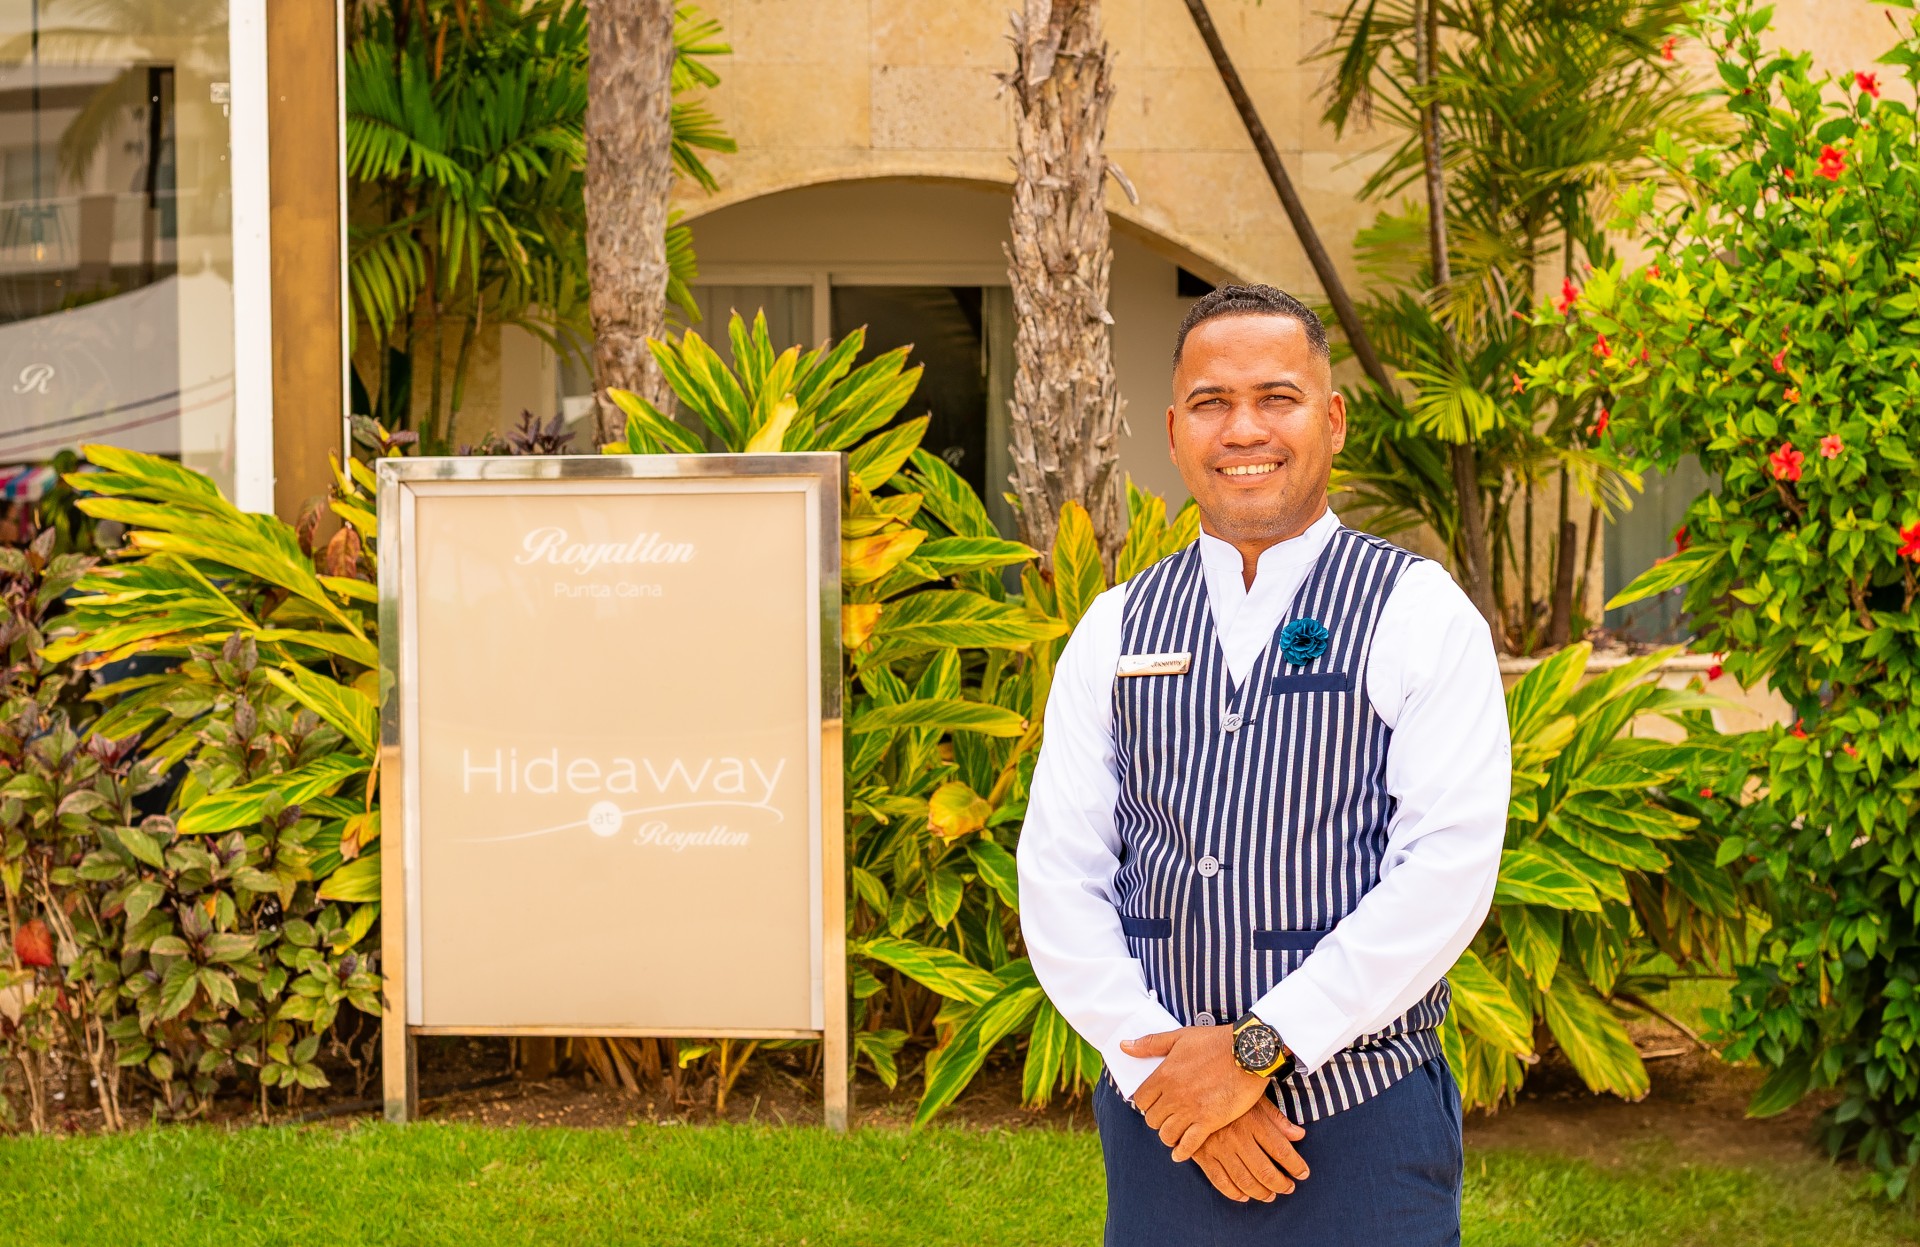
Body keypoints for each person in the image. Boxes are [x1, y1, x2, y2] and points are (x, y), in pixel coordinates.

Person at [1017, 284, 1509, 1245]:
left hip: (1363, 1120)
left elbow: (1446, 871)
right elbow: (1060, 878)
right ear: (1174, 429)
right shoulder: (1113, 629)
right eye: (1212, 403)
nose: (1244, 428)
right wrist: (1171, 1077)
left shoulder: (1419, 611)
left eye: (1275, 398)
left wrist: (1257, 1049)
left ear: (1330, 420)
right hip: (1164, 1123)